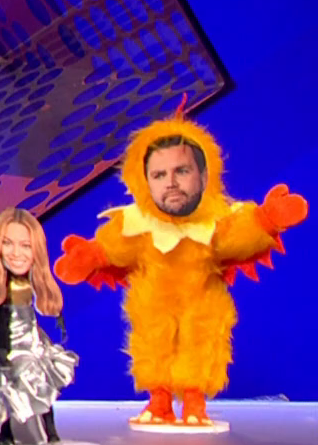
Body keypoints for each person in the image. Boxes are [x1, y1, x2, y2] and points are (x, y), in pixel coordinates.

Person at [56, 116, 305, 426]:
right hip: (153, 309)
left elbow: (240, 235)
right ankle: (159, 401)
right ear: (143, 181)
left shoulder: (215, 224)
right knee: (152, 341)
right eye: (159, 175)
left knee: (200, 339)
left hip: (200, 306)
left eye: (181, 171)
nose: (171, 182)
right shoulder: (135, 226)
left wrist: (267, 220)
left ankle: (194, 403)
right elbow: (113, 248)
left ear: (204, 175)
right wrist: (90, 256)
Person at [0, 208, 75, 445]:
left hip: (31, 340)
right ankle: (4, 432)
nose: (16, 253)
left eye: (25, 246)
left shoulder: (31, 282)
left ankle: (50, 430)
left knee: (40, 383)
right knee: (4, 388)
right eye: (7, 243)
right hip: (6, 344)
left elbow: (46, 301)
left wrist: (58, 319)